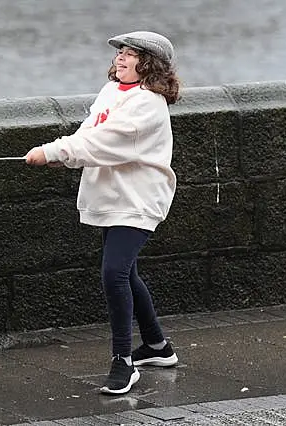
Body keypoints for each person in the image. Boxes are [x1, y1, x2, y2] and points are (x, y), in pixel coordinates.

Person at [24, 31, 180, 395]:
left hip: (137, 200)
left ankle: (123, 362)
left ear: (150, 64)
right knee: (127, 273)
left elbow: (104, 142)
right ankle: (157, 347)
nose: (121, 59)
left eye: (130, 54)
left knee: (114, 273)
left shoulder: (148, 104)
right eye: (120, 54)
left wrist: (52, 151)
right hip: (111, 196)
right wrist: (63, 155)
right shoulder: (111, 92)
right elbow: (89, 134)